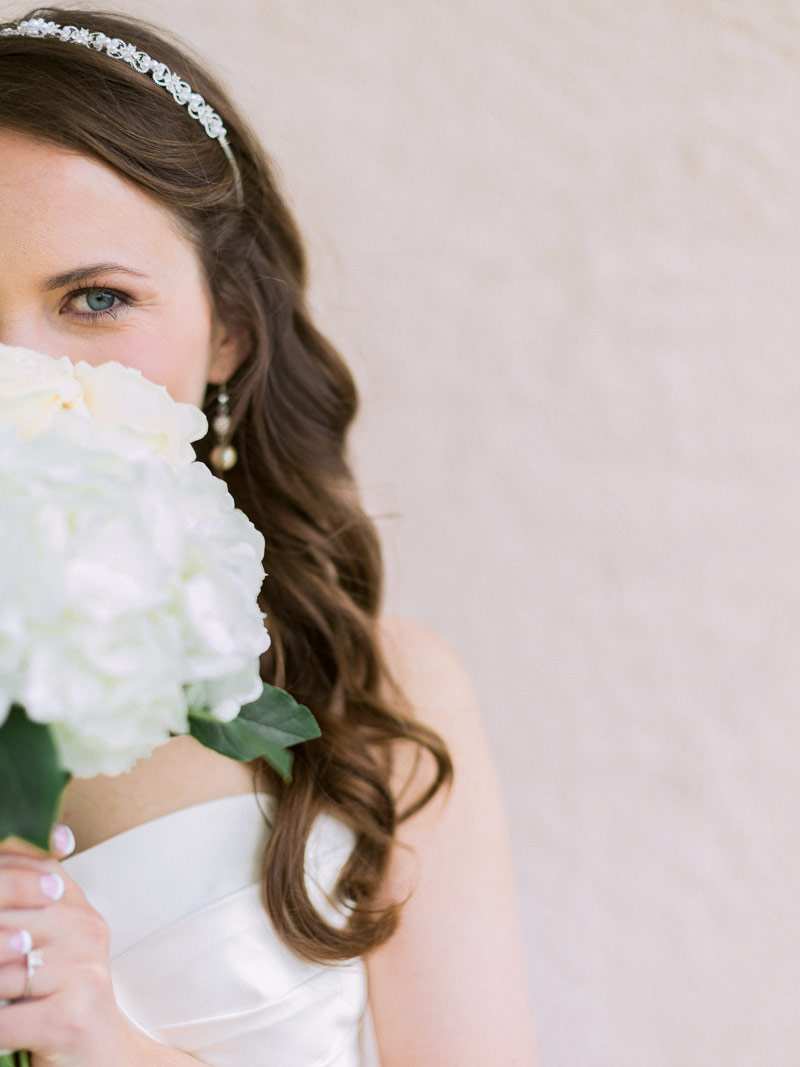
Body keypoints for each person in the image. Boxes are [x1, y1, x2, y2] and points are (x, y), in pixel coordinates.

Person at [0, 6, 539, 1065]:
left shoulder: (377, 694)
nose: (21, 372)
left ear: (228, 331)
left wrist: (103, 1042)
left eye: (95, 299)